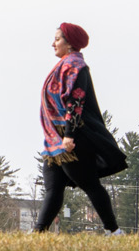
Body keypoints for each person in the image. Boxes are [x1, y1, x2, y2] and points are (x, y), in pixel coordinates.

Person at [34, 22, 123, 235]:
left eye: (57, 39)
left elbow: (76, 102)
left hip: (71, 139)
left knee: (89, 184)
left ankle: (114, 231)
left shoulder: (76, 67)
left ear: (70, 44)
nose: (52, 43)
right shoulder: (65, 65)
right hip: (55, 140)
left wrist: (70, 136)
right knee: (53, 187)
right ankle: (38, 233)